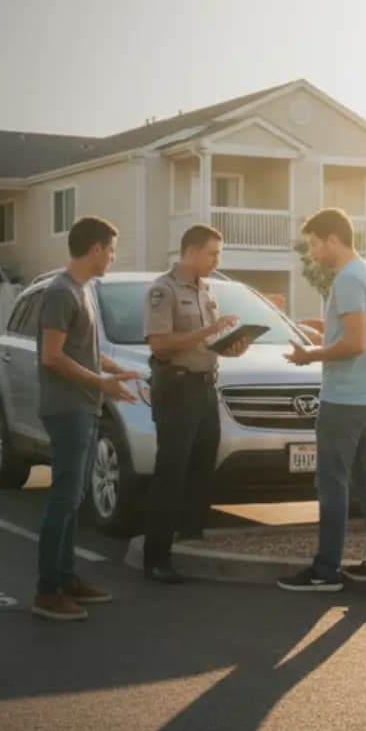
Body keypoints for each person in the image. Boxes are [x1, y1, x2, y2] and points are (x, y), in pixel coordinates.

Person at [278, 207, 366, 591]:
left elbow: (355, 343)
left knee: (332, 484)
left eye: (315, 244)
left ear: (333, 239)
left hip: (344, 401)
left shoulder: (348, 279)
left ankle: (325, 571)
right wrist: (322, 335)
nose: (313, 253)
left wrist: (308, 355)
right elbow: (357, 336)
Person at [32, 216, 143, 621]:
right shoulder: (61, 292)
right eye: (111, 250)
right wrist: (100, 381)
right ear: (96, 249)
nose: (113, 257)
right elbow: (52, 355)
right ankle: (47, 591)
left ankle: (66, 578)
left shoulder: (83, 290)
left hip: (84, 404)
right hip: (67, 408)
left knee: (74, 497)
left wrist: (112, 371)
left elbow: (82, 351)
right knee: (63, 498)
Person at [139, 224, 248, 583]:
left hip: (205, 386)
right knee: (171, 471)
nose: (217, 260)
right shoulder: (163, 290)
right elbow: (160, 344)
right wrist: (206, 333)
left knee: (202, 467)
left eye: (219, 253)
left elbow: (209, 341)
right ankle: (155, 557)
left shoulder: (207, 290)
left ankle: (190, 541)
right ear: (190, 251)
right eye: (212, 253)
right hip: (177, 386)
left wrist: (231, 344)